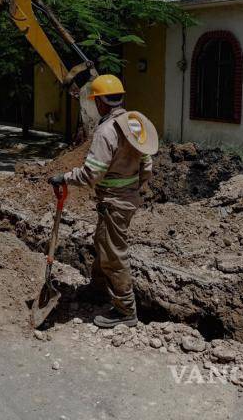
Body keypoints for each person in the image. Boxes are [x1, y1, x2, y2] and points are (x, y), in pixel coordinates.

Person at [49, 74, 157, 329]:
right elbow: (147, 165)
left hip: (114, 202)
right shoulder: (134, 124)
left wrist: (64, 178)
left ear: (99, 102)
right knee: (102, 241)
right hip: (127, 198)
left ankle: (125, 310)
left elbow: (92, 174)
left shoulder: (106, 131)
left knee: (113, 255)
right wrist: (131, 188)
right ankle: (98, 289)